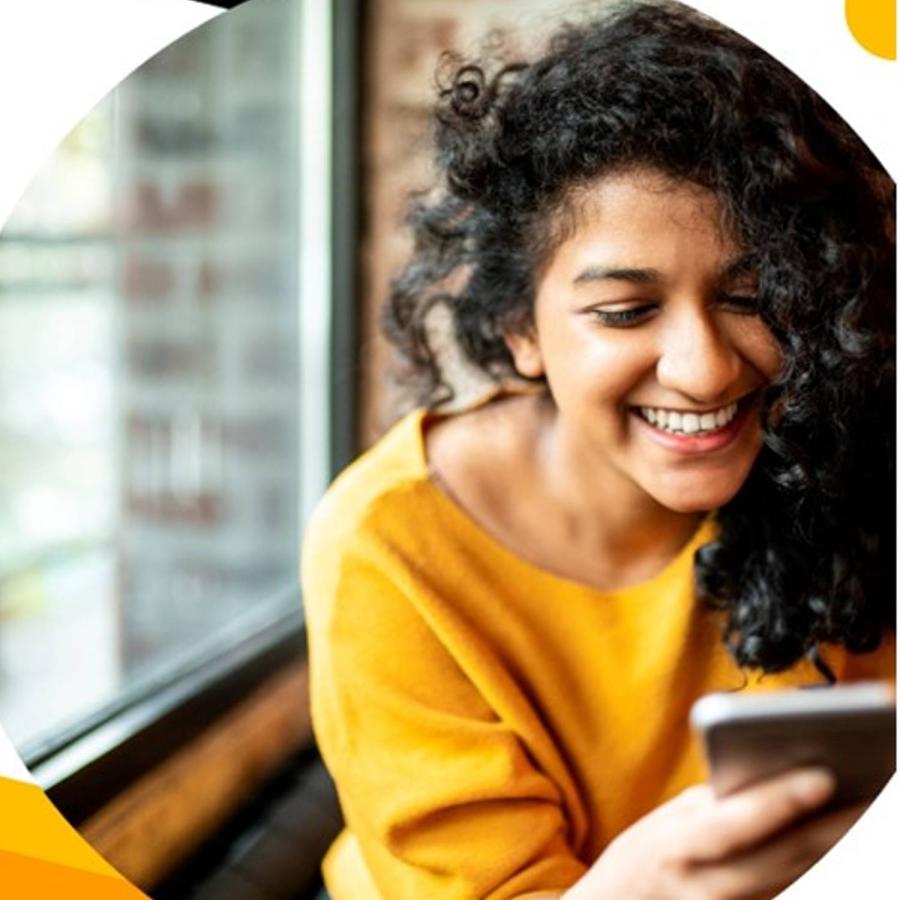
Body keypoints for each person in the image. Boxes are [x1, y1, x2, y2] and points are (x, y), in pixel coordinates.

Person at [302, 1, 896, 897]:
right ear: (518, 327)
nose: (703, 372)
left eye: (753, 295)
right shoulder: (387, 548)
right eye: (625, 312)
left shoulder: (838, 461)